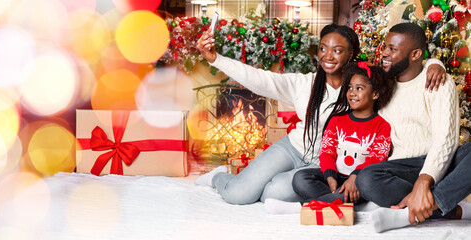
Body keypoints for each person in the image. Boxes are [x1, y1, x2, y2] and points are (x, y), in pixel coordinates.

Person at [194, 23, 446, 205]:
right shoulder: (304, 83)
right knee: (238, 195)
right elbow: (260, 79)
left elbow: (406, 63)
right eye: (323, 48)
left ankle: (264, 184)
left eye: (337, 50)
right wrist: (215, 59)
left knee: (274, 194)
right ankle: (220, 178)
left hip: (324, 164)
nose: (328, 55)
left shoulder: (363, 86)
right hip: (292, 148)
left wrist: (436, 62)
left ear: (351, 54)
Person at [353, 22, 471, 233]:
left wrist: (424, 181)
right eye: (385, 46)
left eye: (393, 49)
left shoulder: (437, 82)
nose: (384, 53)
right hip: (402, 168)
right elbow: (351, 85)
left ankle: (417, 208)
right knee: (367, 178)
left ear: (416, 54)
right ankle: (451, 209)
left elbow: (446, 139)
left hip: (440, 163)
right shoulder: (382, 83)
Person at [265, 62, 395, 214]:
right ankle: (345, 202)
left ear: (375, 94)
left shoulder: (382, 125)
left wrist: (355, 177)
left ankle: (301, 207)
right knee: (300, 178)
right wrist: (329, 175)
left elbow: (376, 158)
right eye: (350, 87)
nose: (352, 92)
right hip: (336, 177)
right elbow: (327, 151)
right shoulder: (337, 120)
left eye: (359, 88)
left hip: (360, 181)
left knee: (364, 187)